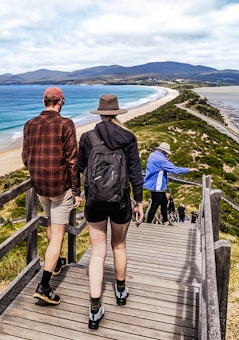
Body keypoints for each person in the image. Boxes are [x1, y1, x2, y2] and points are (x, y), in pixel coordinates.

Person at [77, 94, 145, 330]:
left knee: (97, 252)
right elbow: (136, 172)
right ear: (116, 113)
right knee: (119, 246)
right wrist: (139, 201)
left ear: (100, 113)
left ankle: (95, 309)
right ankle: (120, 290)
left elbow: (79, 168)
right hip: (121, 202)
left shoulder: (87, 137)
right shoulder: (128, 137)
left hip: (94, 202)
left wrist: (78, 193)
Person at [22, 87, 82, 306]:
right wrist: (77, 191)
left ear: (43, 101)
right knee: (57, 235)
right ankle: (44, 286)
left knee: (50, 226)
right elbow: (72, 162)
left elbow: (25, 158)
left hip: (40, 187)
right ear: (61, 102)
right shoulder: (66, 124)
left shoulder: (29, 125)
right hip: (60, 188)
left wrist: (39, 170)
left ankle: (55, 264)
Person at [143, 142, 198, 224]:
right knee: (154, 205)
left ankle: (165, 221)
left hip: (151, 183)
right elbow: (174, 170)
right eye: (166, 153)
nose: (167, 155)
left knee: (164, 202)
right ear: (164, 152)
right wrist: (188, 169)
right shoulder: (161, 160)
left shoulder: (152, 155)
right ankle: (148, 224)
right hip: (157, 185)